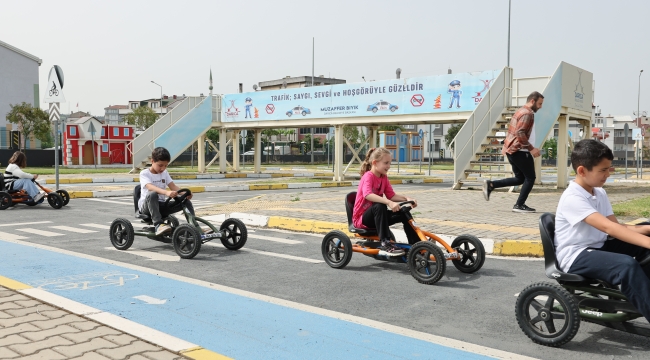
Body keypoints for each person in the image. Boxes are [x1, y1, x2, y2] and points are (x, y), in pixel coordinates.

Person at [555, 139, 650, 322]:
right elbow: (609, 228)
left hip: (599, 245)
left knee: (647, 228)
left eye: (609, 168)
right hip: (576, 255)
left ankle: (641, 292)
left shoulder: (599, 192)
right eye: (603, 170)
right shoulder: (572, 198)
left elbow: (618, 226)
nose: (608, 174)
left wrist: (646, 229)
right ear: (582, 171)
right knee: (626, 266)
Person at [483, 91, 544, 213]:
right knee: (530, 178)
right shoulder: (528, 113)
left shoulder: (520, 111)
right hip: (521, 151)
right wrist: (531, 148)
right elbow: (520, 133)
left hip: (512, 150)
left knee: (520, 178)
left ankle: (491, 185)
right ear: (532, 101)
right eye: (539, 104)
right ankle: (519, 205)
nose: (540, 107)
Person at [352, 147, 419, 256]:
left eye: (390, 163)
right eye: (386, 163)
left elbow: (391, 195)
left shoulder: (383, 177)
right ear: (375, 162)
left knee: (403, 212)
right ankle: (385, 243)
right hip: (363, 218)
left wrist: (407, 199)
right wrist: (388, 202)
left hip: (378, 216)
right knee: (380, 205)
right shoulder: (368, 176)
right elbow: (367, 194)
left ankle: (416, 244)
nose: (388, 166)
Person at [138, 147, 194, 236]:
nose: (163, 168)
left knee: (186, 202)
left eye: (165, 165)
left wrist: (185, 193)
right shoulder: (144, 173)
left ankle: (194, 226)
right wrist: (166, 192)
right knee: (152, 194)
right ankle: (158, 225)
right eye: (160, 165)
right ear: (152, 161)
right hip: (147, 208)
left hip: (161, 206)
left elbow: (173, 186)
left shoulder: (164, 173)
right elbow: (150, 187)